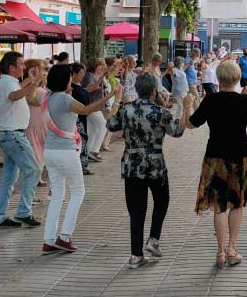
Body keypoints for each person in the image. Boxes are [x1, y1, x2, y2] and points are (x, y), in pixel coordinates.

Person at [181, 61, 247, 268]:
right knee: (237, 203)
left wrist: (187, 106)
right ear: (237, 78)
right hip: (240, 156)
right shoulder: (245, 101)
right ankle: (232, 249)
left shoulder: (210, 101)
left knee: (219, 206)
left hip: (215, 157)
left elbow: (189, 124)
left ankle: (220, 251)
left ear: (218, 78)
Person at [105, 73, 184, 268]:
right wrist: (186, 109)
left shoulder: (126, 109)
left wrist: (116, 102)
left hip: (132, 163)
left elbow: (112, 125)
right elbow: (177, 131)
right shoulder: (160, 111)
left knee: (136, 209)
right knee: (162, 200)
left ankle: (135, 254)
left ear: (138, 90)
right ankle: (153, 239)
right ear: (153, 91)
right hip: (155, 163)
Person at [42, 64, 121, 254]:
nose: (72, 80)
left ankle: (49, 239)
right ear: (64, 80)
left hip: (50, 151)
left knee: (57, 195)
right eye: (69, 77)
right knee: (77, 192)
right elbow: (85, 110)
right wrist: (111, 97)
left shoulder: (48, 97)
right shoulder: (64, 99)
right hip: (65, 152)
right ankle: (64, 236)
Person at [0, 52, 43, 228]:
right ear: (11, 67)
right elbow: (14, 95)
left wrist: (29, 80)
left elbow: (17, 89)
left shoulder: (9, 82)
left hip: (11, 135)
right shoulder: (7, 83)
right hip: (13, 135)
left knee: (9, 178)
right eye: (21, 64)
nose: (24, 67)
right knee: (33, 170)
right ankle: (23, 212)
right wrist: (35, 82)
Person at [24, 59, 49, 187]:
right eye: (41, 69)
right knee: (36, 152)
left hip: (40, 123)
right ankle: (34, 180)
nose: (43, 72)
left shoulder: (38, 87)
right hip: (33, 124)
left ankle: (37, 178)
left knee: (41, 151)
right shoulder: (30, 88)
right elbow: (32, 100)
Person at [81, 58, 108, 163]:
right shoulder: (90, 75)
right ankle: (94, 150)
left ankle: (88, 150)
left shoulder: (97, 75)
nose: (104, 66)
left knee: (92, 129)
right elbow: (89, 88)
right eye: (102, 64)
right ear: (96, 65)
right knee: (103, 125)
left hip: (96, 106)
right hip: (91, 105)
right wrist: (100, 80)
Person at [170, 56, 189, 120]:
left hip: (183, 89)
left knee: (182, 105)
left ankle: (181, 119)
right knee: (181, 105)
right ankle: (178, 119)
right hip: (179, 90)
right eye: (182, 62)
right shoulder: (174, 70)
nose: (183, 63)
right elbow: (175, 75)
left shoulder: (180, 69)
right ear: (179, 63)